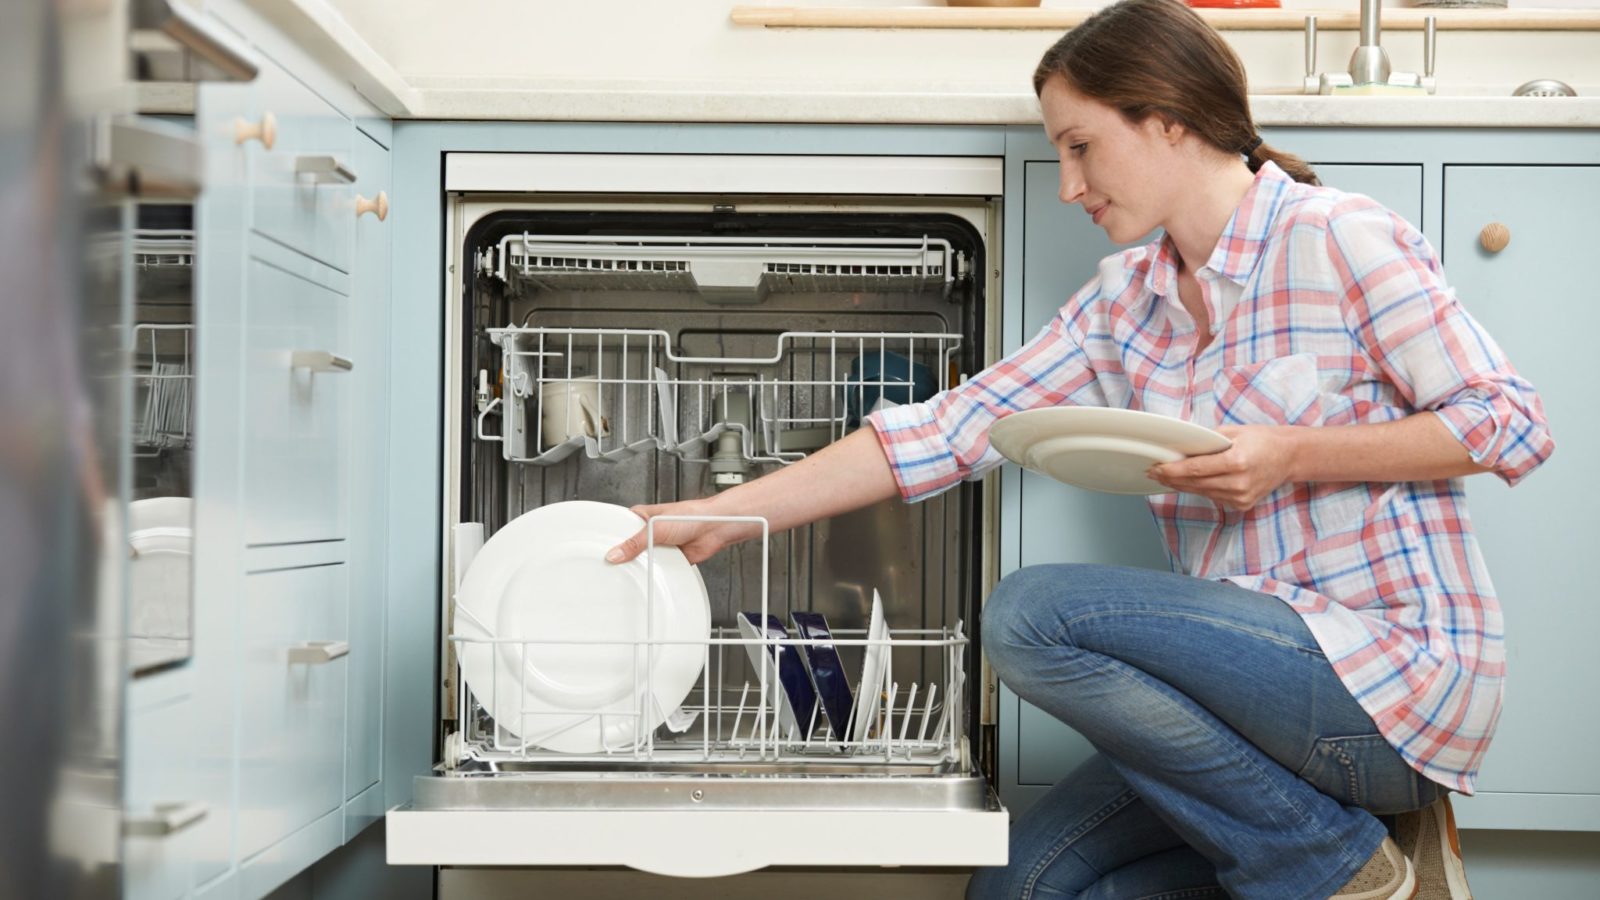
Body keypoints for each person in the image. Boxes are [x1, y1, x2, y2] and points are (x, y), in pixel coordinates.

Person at [607, 0, 1553, 895]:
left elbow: (1509, 422)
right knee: (1023, 882)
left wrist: (1291, 454)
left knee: (1031, 616)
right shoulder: (1125, 301)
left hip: (1388, 685)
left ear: (1170, 120)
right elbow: (947, 430)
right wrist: (725, 517)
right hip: (1234, 710)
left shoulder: (1337, 238)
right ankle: (1342, 857)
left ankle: (1332, 863)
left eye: (1080, 147)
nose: (1068, 187)